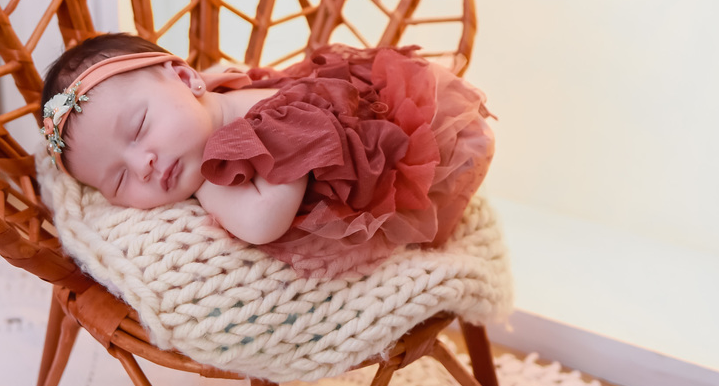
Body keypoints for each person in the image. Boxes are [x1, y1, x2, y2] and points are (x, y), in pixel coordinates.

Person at [40, 33, 494, 278]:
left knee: (414, 198)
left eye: (139, 128)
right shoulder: (208, 109)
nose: (143, 165)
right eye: (119, 180)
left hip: (401, 150)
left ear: (186, 78)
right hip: (323, 117)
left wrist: (212, 182)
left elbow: (261, 224)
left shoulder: (229, 157)